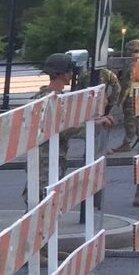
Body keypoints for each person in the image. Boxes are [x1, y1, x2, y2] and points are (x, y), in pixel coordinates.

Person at [35, 52, 118, 205]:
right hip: (45, 158)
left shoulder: (53, 98)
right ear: (64, 73)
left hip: (51, 157)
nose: (72, 74)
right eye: (70, 71)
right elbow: (62, 127)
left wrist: (94, 120)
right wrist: (92, 126)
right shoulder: (50, 100)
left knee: (48, 205)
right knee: (43, 203)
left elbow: (65, 122)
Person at [112, 39, 139, 154]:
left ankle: (127, 143)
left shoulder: (133, 63)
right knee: (138, 120)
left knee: (130, 120)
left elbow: (127, 82)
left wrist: (120, 99)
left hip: (131, 93)